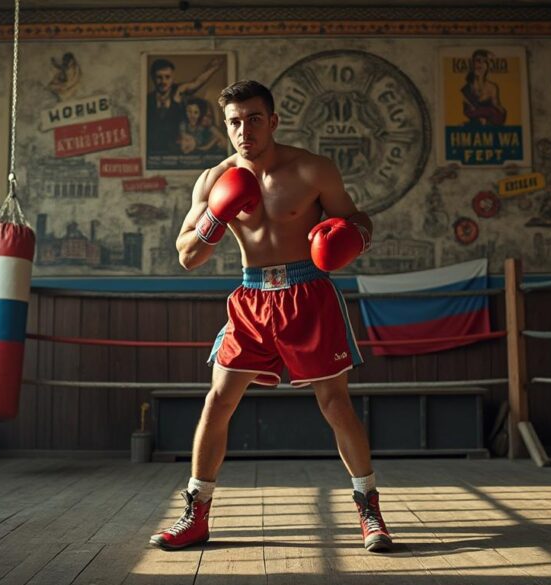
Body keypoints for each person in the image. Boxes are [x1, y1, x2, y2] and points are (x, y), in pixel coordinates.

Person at [149, 80, 391, 553]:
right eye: (235, 122)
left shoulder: (311, 168)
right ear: (226, 127)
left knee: (335, 405)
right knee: (218, 402)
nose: (245, 130)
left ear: (273, 120)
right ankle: (196, 514)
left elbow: (361, 222)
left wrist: (348, 238)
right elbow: (186, 256)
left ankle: (370, 511)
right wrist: (215, 218)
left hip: (309, 293)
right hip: (252, 295)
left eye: (254, 119)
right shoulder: (213, 179)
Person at [146, 57, 224, 156]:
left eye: (167, 77)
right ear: (153, 77)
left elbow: (197, 82)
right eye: (159, 77)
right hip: (155, 150)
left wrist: (213, 67)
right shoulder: (148, 99)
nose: (163, 81)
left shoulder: (178, 92)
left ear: (172, 77)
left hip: (180, 149)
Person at [462, 49, 507, 126]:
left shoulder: (492, 87)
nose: (481, 64)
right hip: (476, 122)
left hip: (490, 121)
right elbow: (469, 111)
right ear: (472, 64)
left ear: (487, 66)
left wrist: (502, 110)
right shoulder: (467, 88)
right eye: (478, 60)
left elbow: (496, 105)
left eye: (484, 61)